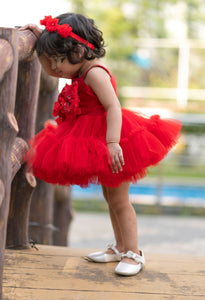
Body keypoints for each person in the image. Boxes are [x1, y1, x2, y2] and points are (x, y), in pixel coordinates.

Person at [20, 13, 181, 276]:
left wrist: (113, 143)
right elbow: (59, 49)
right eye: (51, 61)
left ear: (78, 51)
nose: (56, 68)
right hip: (97, 137)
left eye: (58, 60)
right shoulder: (80, 67)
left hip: (113, 139)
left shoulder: (94, 73)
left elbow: (113, 106)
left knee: (120, 200)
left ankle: (134, 252)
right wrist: (39, 34)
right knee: (110, 197)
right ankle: (120, 247)